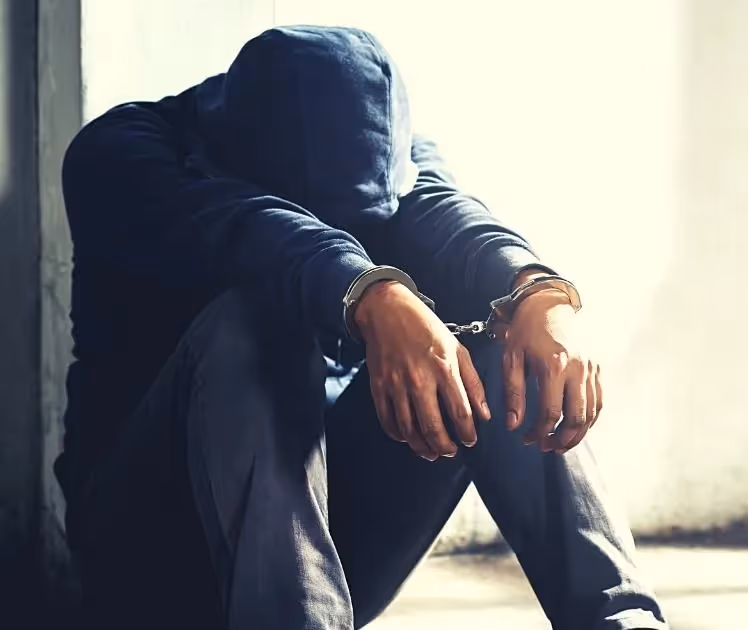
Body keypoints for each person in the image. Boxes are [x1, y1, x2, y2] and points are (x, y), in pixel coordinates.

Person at [55, 24, 668, 630]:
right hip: (149, 563)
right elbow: (258, 232)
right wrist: (371, 291)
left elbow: (446, 215)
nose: (350, 228)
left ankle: (623, 621)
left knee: (498, 343)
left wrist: (538, 294)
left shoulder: (387, 152)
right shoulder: (122, 156)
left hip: (326, 554)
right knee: (250, 321)